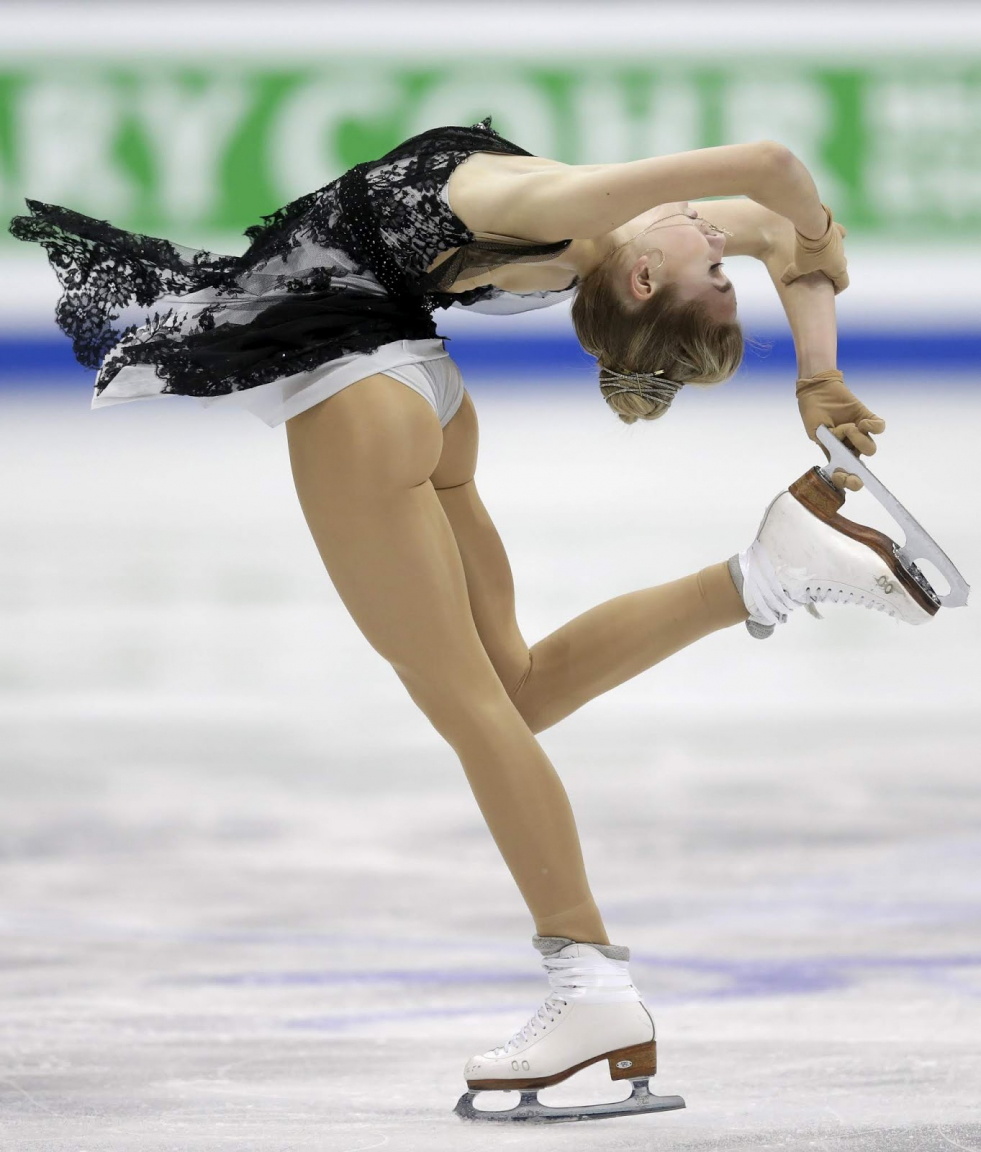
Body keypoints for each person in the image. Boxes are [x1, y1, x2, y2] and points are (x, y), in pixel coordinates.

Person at [9, 116, 929, 1124]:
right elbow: (781, 211)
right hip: (420, 391)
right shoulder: (609, 229)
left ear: (641, 280)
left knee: (470, 714)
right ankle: (763, 574)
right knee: (515, 696)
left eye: (711, 271)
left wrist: (817, 304)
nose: (718, 250)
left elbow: (778, 194)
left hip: (360, 395)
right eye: (719, 265)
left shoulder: (579, 212)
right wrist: (812, 323)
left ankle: (590, 988)